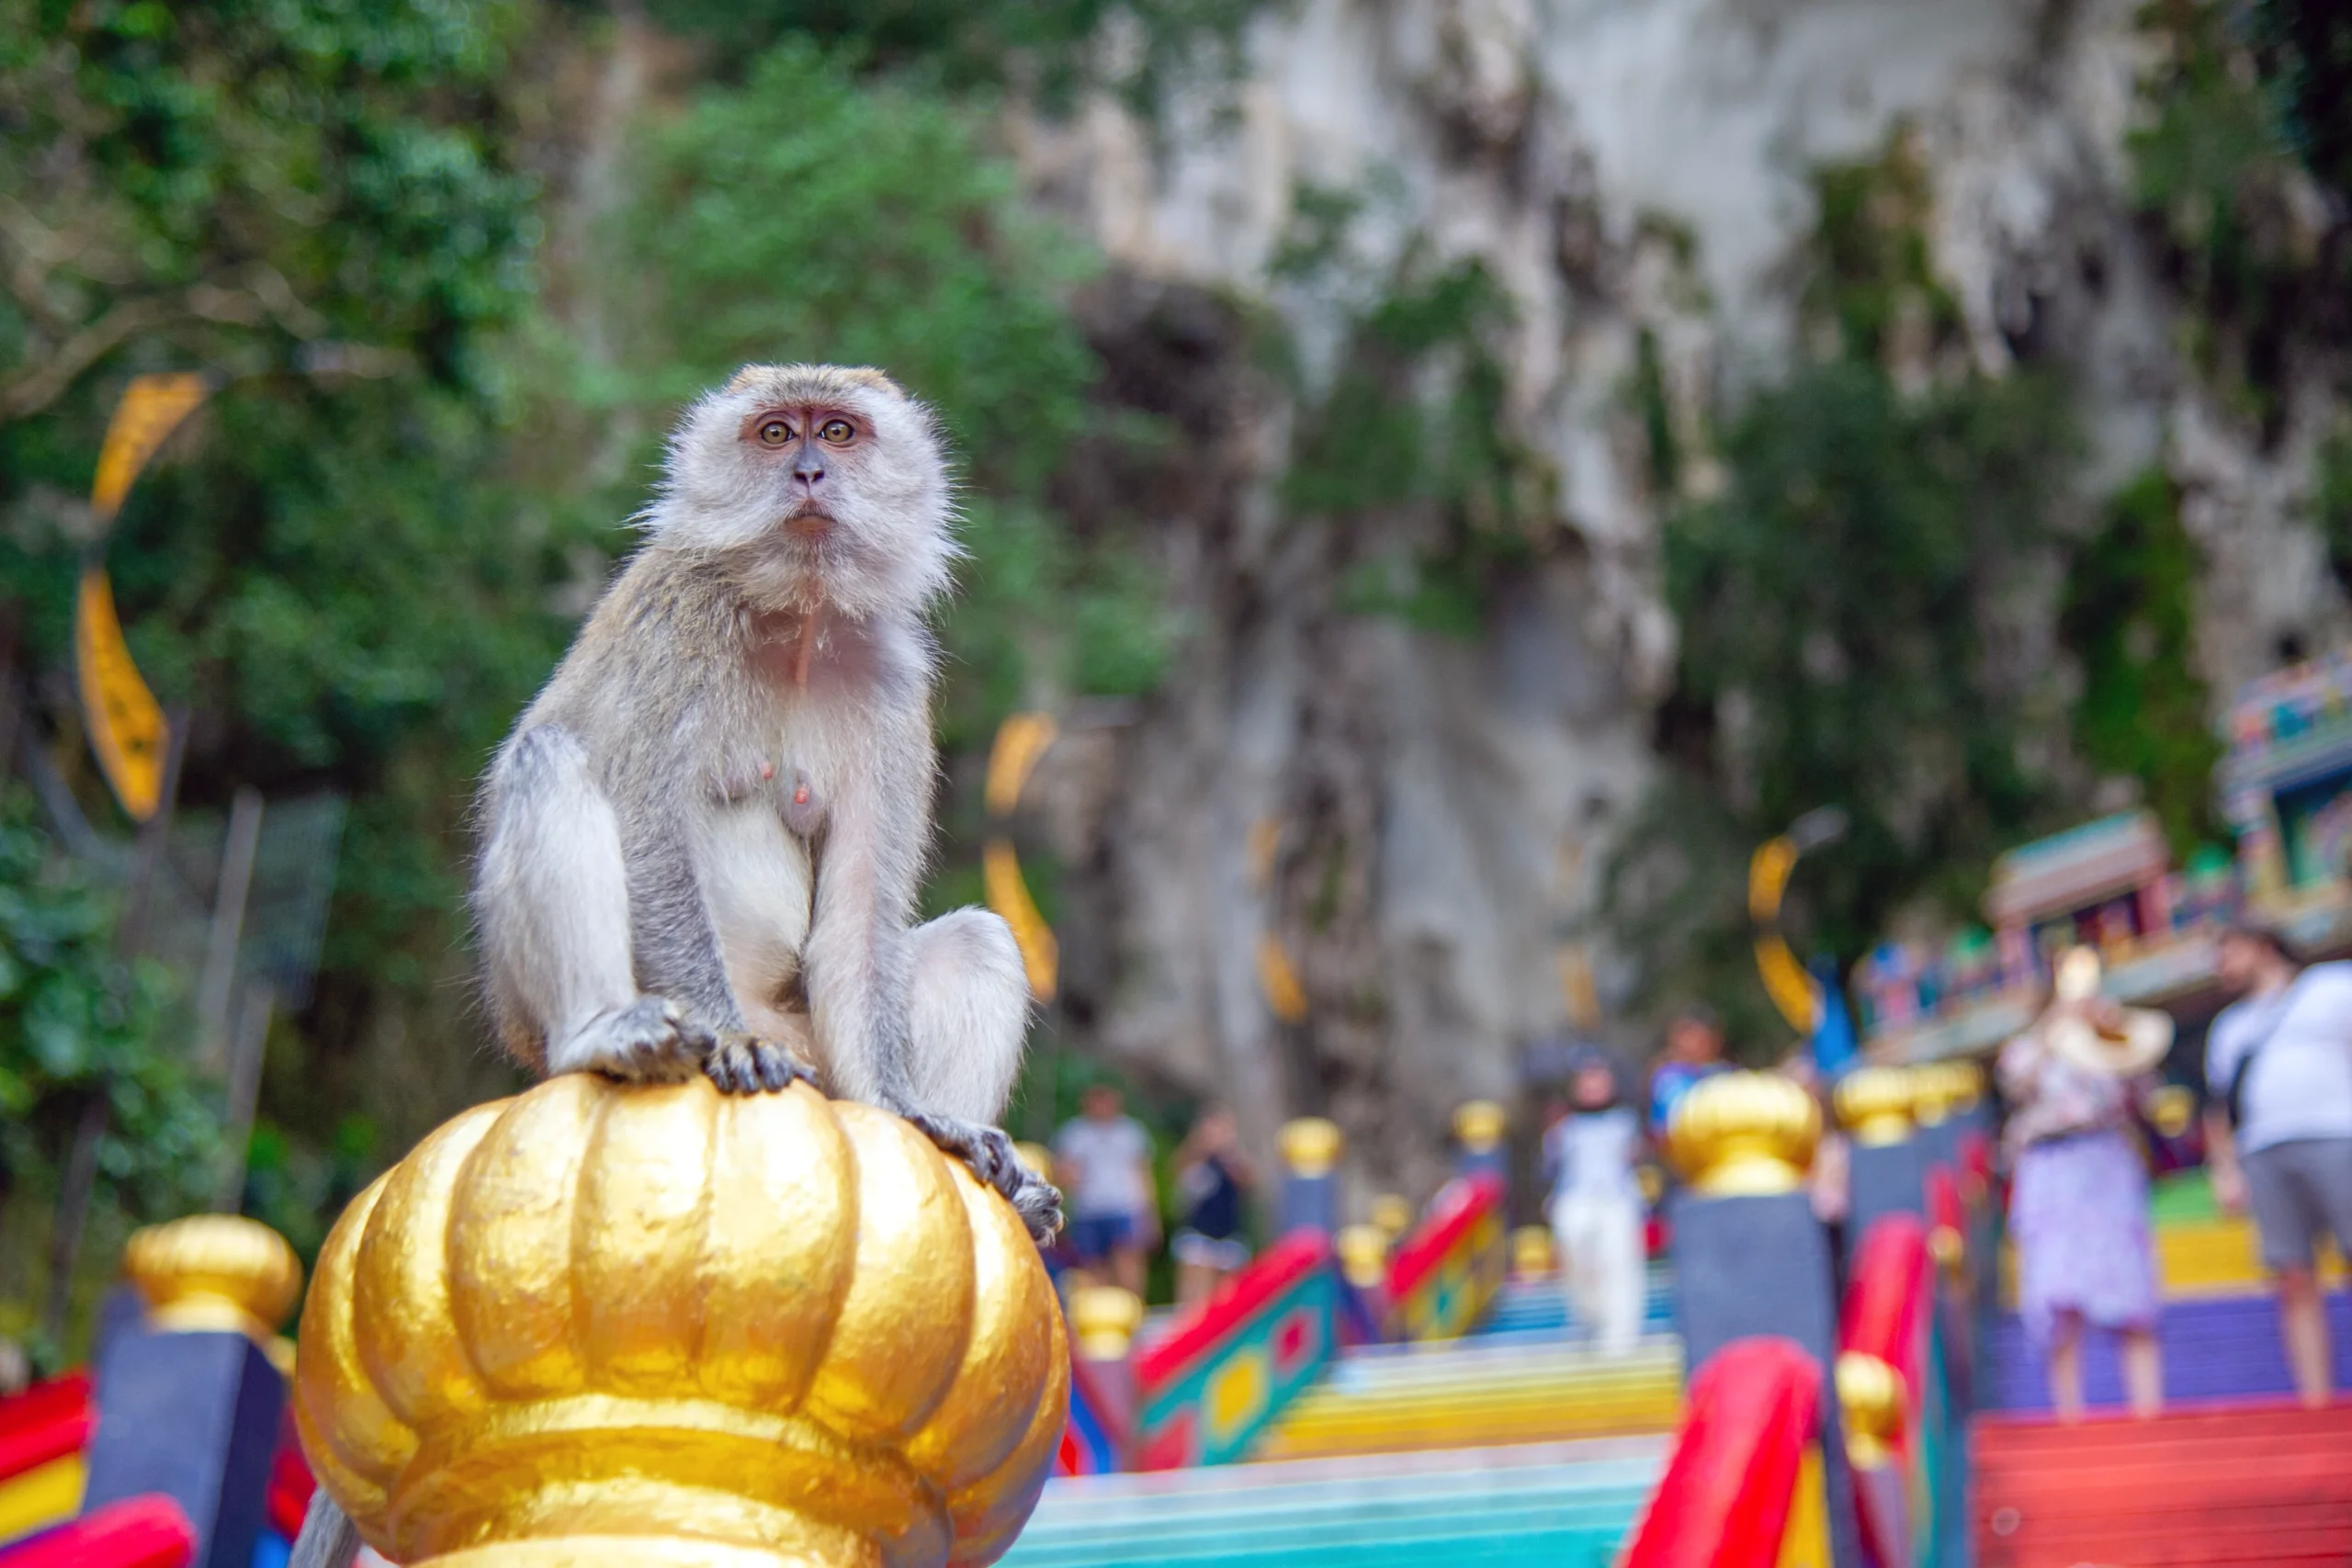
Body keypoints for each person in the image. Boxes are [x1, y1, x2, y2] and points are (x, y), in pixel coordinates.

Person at [1997, 947, 2168, 1421]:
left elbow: (2147, 1097)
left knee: (2130, 1293)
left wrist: (2114, 1038)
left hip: (2107, 1166)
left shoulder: (2110, 1033)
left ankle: (2147, 1414)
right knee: (2059, 1297)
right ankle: (2070, 1418)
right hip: (2052, 1170)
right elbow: (2016, 1086)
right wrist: (2057, 1029)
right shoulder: (2029, 1045)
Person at [2204, 919, 2352, 1407]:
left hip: (2338, 1136)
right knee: (2292, 1276)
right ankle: (2315, 1403)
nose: (2221, 965)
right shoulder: (2228, 1028)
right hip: (2262, 1151)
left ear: (2264, 946)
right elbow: (2219, 1110)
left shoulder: (2331, 986)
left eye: (2230, 950)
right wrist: (2226, 1170)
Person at [1545, 1050, 1647, 1358]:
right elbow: (1553, 1168)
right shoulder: (1564, 1126)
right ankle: (1587, 1319)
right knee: (1575, 1255)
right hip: (1576, 1198)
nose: (1592, 1086)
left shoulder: (1626, 1121)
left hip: (1615, 1200)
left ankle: (1620, 1335)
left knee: (1619, 1262)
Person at [1053, 1084, 1157, 1297]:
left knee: (1128, 1264)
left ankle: (1134, 1309)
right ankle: (1102, 1314)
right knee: (1092, 1267)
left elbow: (1143, 1173)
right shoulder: (1075, 1134)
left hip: (1124, 1207)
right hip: (1088, 1209)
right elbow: (1060, 1174)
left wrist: (1149, 1212)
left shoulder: (1130, 1132)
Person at [1170, 1104, 1257, 1307]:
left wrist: (1231, 1155)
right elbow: (1177, 1172)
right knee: (1194, 1293)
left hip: (1228, 1233)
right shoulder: (1194, 1156)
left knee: (1229, 1294)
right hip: (1198, 1230)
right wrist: (1198, 1148)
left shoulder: (1233, 1160)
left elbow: (1249, 1183)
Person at [1646, 1004, 1727, 1141]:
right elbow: (1664, 1124)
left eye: (1697, 1037)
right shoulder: (1668, 1077)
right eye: (1686, 1037)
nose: (1690, 1043)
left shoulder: (1727, 1074)